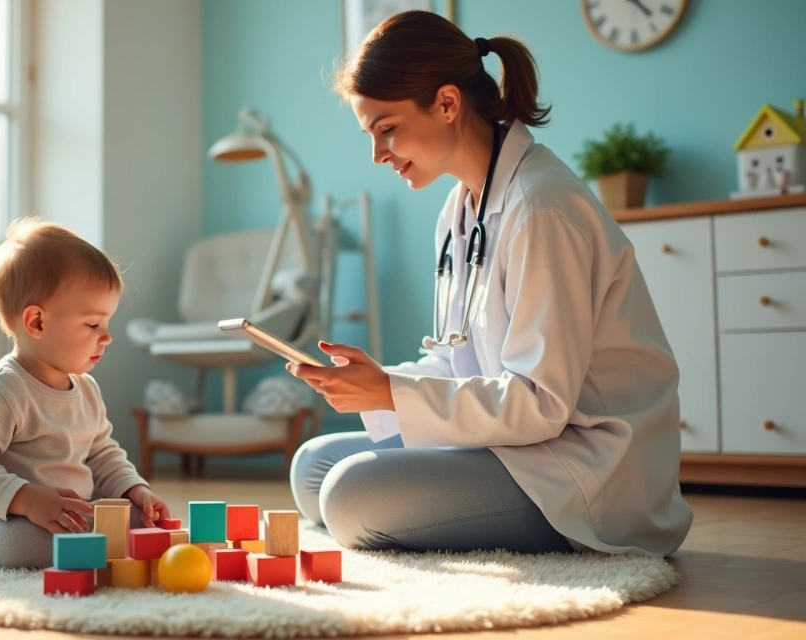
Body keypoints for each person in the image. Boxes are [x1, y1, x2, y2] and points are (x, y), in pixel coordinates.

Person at [287, 11, 692, 557]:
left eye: (386, 130)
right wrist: (381, 380)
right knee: (313, 467)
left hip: (584, 465)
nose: (378, 154)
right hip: (515, 444)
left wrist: (390, 394)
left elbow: (542, 403)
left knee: (347, 495)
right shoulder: (460, 207)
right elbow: (461, 362)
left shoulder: (541, 207)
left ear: (448, 104)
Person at [0, 217, 170, 568]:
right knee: (28, 545)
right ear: (37, 322)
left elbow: (102, 455)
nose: (107, 337)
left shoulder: (86, 389)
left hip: (63, 514)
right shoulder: (1, 389)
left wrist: (135, 489)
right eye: (92, 324)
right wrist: (26, 499)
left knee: (140, 521)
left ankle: (94, 538)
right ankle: (87, 542)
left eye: (107, 323)